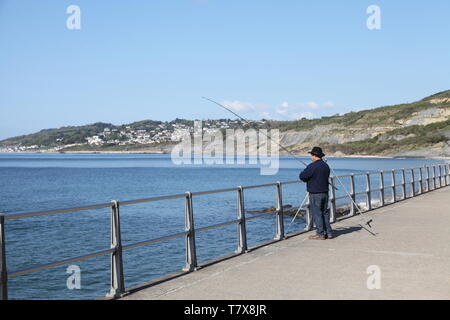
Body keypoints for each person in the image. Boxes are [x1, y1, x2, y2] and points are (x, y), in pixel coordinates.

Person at [299, 147, 333, 240]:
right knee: (325, 213)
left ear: (314, 156)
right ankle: (329, 232)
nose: (311, 157)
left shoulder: (312, 166)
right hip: (325, 192)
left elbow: (302, 176)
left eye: (311, 155)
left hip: (315, 193)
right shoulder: (326, 166)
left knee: (317, 213)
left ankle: (320, 234)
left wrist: (306, 171)